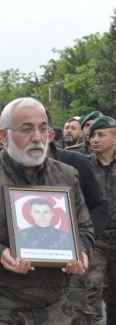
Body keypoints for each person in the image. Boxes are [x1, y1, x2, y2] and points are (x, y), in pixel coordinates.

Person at [0, 97, 93, 324]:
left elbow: (84, 227)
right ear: (4, 136)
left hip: (57, 310)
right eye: (26, 129)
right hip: (2, 311)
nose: (37, 137)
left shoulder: (65, 175)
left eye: (43, 129)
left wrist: (80, 252)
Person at [86, 115, 116, 324]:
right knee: (90, 291)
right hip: (95, 239)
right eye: (92, 135)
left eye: (101, 134)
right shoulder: (83, 165)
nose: (95, 139)